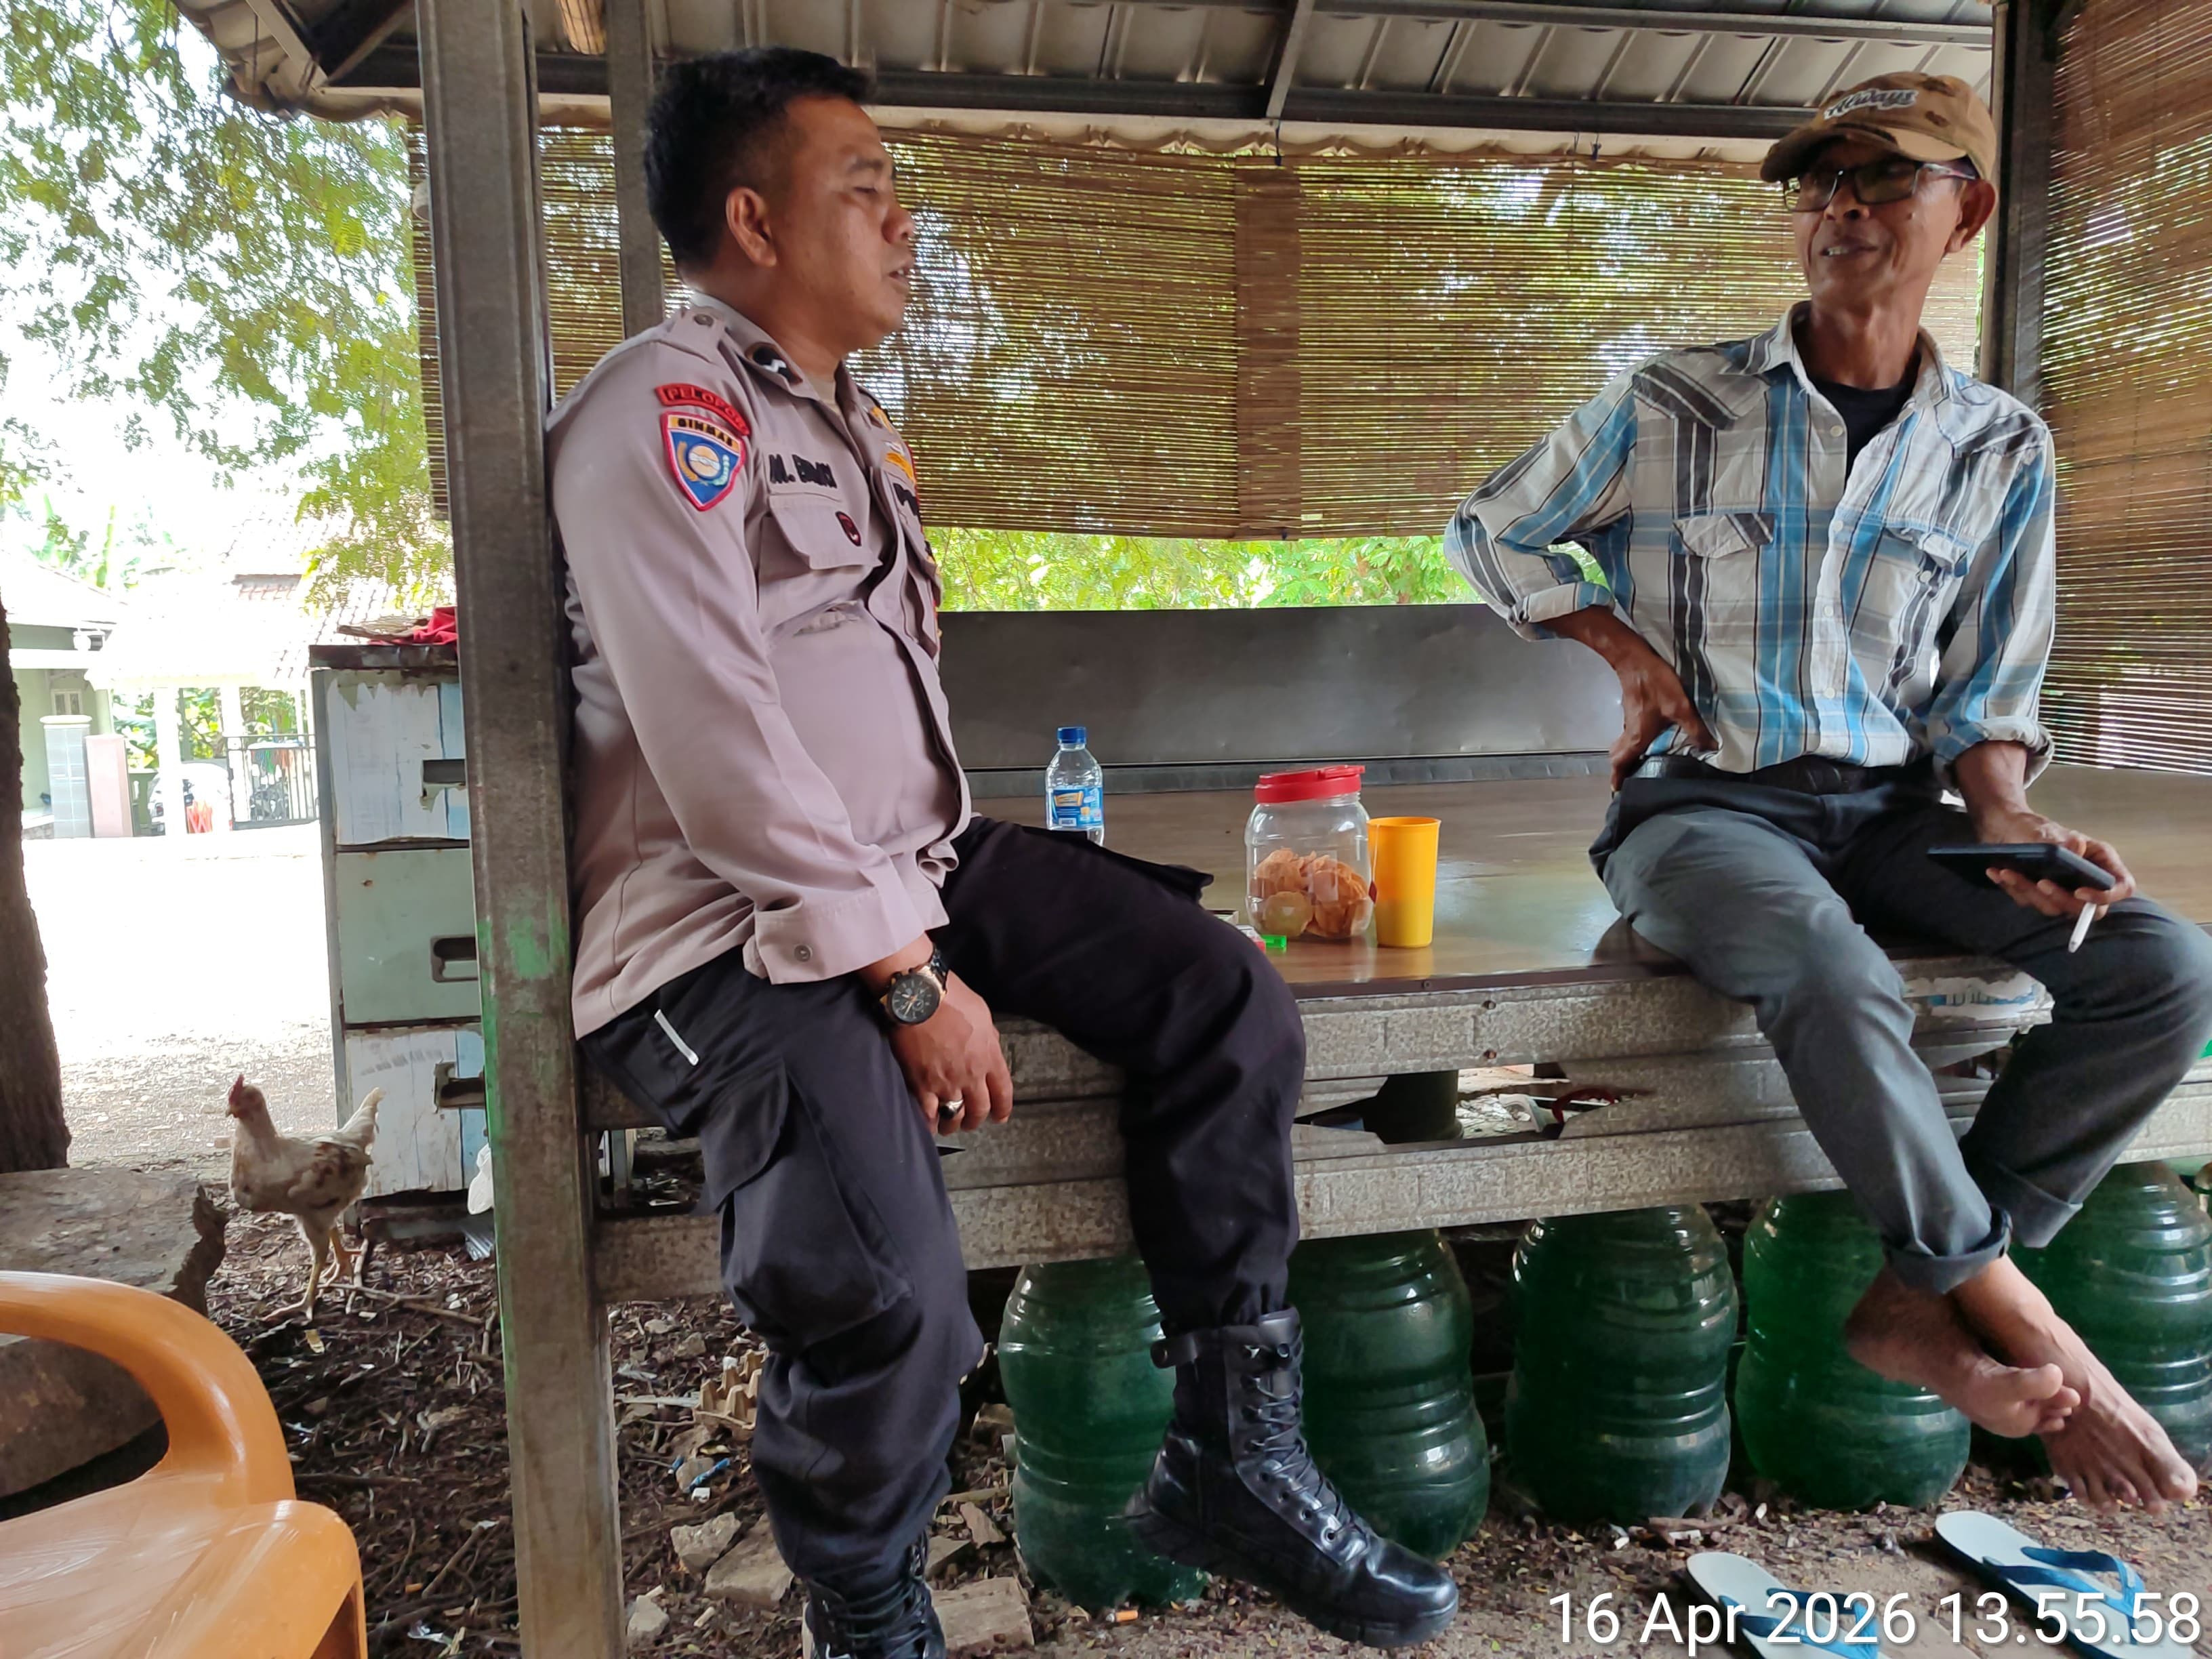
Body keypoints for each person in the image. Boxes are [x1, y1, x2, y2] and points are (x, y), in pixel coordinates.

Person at [548, 48, 1457, 1659]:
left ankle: (1232, 1455)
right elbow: (715, 737)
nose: (906, 224)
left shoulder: (851, 425)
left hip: (913, 858)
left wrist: (915, 924)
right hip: (712, 926)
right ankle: (867, 1609)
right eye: (868, 191)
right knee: (891, 1290)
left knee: (1225, 999)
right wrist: (909, 981)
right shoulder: (664, 411)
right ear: (754, 222)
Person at [1447, 72, 2212, 1513]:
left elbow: (1990, 682)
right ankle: (2016, 1312)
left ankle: (1916, 1296)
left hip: (1898, 818)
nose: (1842, 207)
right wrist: (1619, 647)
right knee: (1834, 972)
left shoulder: (2000, 446)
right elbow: (1491, 528)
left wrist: (2005, 817)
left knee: (2162, 968)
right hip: (1705, 811)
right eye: (1821, 182)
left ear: (1965, 213)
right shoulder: (1676, 400)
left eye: (1885, 177)